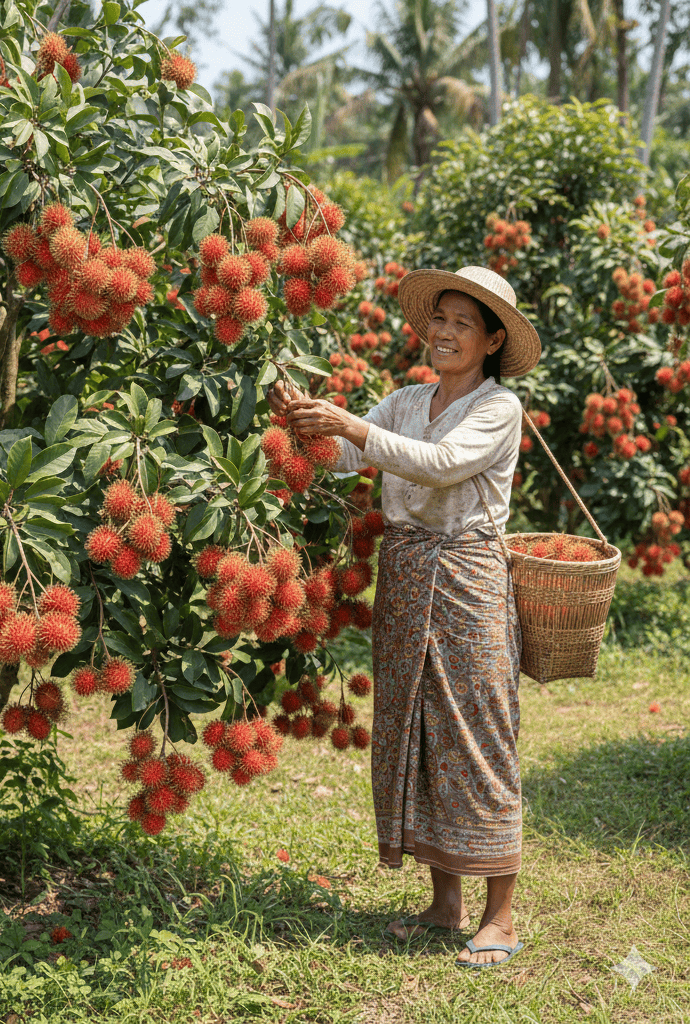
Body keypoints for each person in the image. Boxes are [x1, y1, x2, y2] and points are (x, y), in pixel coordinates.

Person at [268, 266, 540, 969]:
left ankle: (501, 917)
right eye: (439, 318)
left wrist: (352, 424)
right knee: (418, 730)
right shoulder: (408, 399)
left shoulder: (498, 408)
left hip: (468, 581)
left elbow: (441, 464)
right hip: (407, 574)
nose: (444, 332)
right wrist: (299, 420)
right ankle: (445, 906)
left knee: (478, 734)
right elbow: (346, 455)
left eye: (462, 324)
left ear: (492, 341)